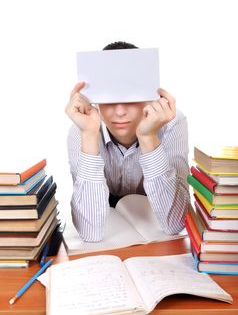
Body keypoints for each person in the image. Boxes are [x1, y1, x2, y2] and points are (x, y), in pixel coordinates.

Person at [65, 41, 190, 242]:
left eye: (130, 97)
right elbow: (90, 232)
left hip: (154, 227)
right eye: (110, 99)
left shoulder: (171, 123)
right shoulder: (81, 131)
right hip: (111, 227)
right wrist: (89, 135)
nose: (120, 111)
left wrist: (148, 137)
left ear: (150, 95)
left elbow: (175, 223)